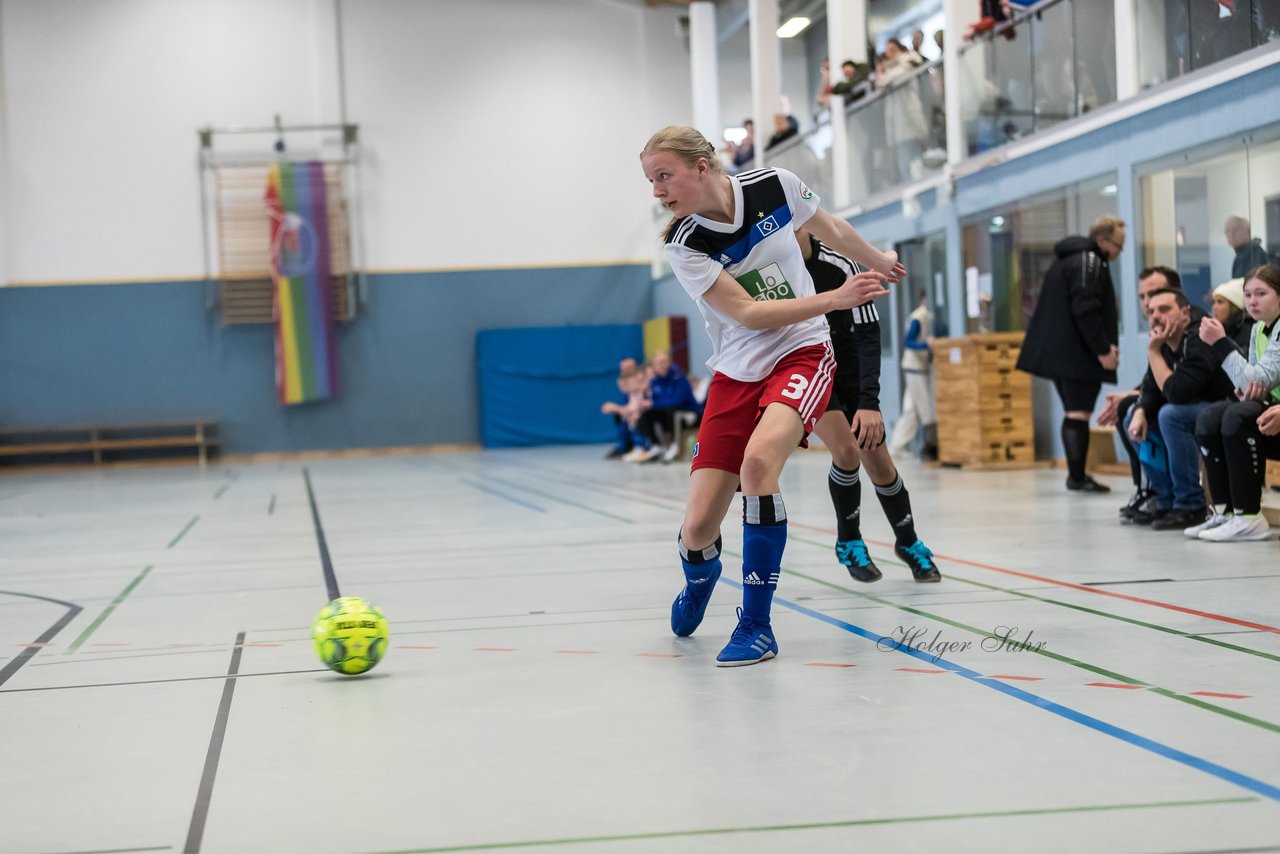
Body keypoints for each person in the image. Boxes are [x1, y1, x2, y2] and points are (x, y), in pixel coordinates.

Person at [639, 125, 902, 666]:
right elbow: (747, 314)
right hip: (737, 371)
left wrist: (876, 258)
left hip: (803, 351)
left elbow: (832, 227)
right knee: (697, 528)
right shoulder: (684, 243)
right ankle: (700, 575)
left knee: (759, 465)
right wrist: (834, 297)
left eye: (664, 176)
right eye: (651, 181)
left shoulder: (775, 185)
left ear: (702, 167)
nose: (658, 191)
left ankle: (756, 625)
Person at [799, 230, 940, 583]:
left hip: (849, 371)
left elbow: (868, 336)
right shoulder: (773, 268)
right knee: (846, 453)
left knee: (879, 462)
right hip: (808, 370)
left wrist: (869, 402)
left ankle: (907, 542)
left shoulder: (840, 265)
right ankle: (849, 540)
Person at [1016, 215, 1124, 493]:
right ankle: (1077, 476)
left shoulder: (1068, 259)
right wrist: (1102, 349)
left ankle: (1077, 474)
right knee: (1078, 413)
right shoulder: (1088, 261)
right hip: (1077, 354)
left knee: (1073, 412)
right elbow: (1085, 308)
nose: (1118, 252)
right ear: (1101, 240)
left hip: (1062, 353)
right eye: (1117, 245)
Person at [1124, 288, 1235, 530]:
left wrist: (1153, 351)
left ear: (1184, 313)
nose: (1155, 316)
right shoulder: (1165, 341)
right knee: (1133, 417)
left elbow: (1178, 393)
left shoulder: (1199, 339)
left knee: (1171, 415)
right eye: (1151, 311)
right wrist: (1141, 410)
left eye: (1164, 309)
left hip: (1227, 407)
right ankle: (1166, 499)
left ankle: (1190, 504)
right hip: (1197, 408)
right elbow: (1150, 384)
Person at [1192, 265, 1280, 541]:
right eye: (1248, 295)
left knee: (1237, 418)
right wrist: (1247, 390)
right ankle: (1224, 511)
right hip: (1272, 411)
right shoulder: (1257, 330)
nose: (1253, 301)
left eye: (1261, 293)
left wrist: (1220, 343)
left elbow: (1256, 377)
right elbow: (1252, 385)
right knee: (1211, 416)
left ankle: (1248, 514)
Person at [1097, 267, 1191, 520]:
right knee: (1129, 409)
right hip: (1176, 396)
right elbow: (1153, 379)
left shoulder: (1194, 331)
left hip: (1195, 402)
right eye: (1143, 298)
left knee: (1162, 413)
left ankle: (1183, 499)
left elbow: (1178, 388)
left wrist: (1138, 402)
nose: (1149, 303)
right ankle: (1149, 489)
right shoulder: (1160, 332)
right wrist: (1136, 400)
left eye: (1155, 295)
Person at [890, 289, 937, 459]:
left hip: (918, 367)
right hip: (915, 368)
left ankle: (897, 445)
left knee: (910, 409)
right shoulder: (919, 316)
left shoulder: (929, 316)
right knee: (926, 409)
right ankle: (931, 444)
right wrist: (927, 345)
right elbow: (908, 341)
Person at [637, 349, 702, 463]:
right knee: (646, 414)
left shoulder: (679, 378)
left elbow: (677, 401)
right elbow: (657, 402)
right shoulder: (654, 381)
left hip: (690, 413)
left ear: (669, 362)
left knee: (671, 410)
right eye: (659, 363)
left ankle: (674, 446)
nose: (662, 365)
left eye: (664, 361)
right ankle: (656, 446)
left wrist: (654, 404)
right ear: (654, 366)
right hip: (669, 414)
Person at [601, 358, 639, 459]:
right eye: (624, 369)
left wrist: (616, 408)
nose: (627, 372)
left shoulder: (641, 382)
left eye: (629, 368)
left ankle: (638, 446)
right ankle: (623, 446)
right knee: (620, 416)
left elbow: (636, 405)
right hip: (631, 410)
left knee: (632, 417)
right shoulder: (627, 390)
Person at [1210, 277, 1254, 349]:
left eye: (1220, 302)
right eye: (1213, 302)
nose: (1214, 307)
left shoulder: (1247, 331)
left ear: (1234, 306)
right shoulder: (1224, 329)